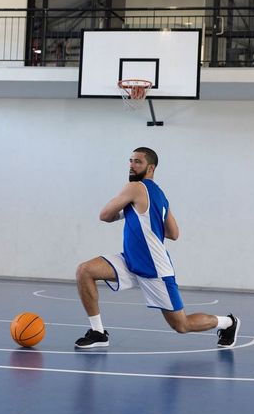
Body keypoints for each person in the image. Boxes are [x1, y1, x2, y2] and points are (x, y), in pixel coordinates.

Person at [75, 147, 240, 349]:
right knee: (85, 270)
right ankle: (98, 333)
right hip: (131, 261)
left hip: (155, 268)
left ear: (150, 167)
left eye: (138, 162)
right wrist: (138, 215)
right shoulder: (160, 195)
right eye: (130, 160)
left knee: (182, 325)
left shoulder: (134, 188)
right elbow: (173, 233)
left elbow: (105, 215)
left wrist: (126, 212)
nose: (132, 165)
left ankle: (229, 323)